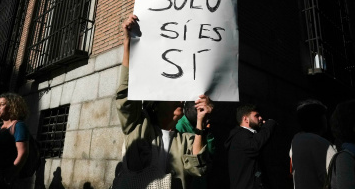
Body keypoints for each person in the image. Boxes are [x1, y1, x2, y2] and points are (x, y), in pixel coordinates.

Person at [113, 14, 213, 189]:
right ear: (156, 104)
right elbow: (125, 94)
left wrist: (200, 123)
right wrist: (128, 45)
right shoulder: (137, 126)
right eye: (174, 95)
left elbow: (198, 168)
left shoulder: (186, 140)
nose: (181, 100)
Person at [224, 104, 277, 189]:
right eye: (256, 116)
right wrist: (269, 125)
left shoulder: (248, 136)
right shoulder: (240, 135)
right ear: (245, 119)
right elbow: (254, 147)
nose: (260, 118)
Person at [289, 99, 336, 189]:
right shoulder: (322, 144)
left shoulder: (296, 141)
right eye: (324, 116)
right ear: (320, 119)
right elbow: (335, 180)